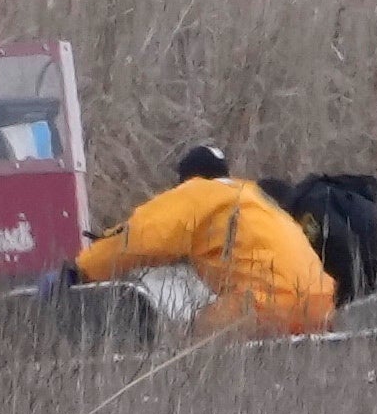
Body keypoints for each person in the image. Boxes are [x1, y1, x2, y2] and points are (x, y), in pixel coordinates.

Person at [69, 143, 337, 337]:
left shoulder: (197, 194)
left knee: (192, 352)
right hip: (321, 304)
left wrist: (82, 270)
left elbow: (140, 237)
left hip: (265, 304)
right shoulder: (253, 196)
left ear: (187, 179)